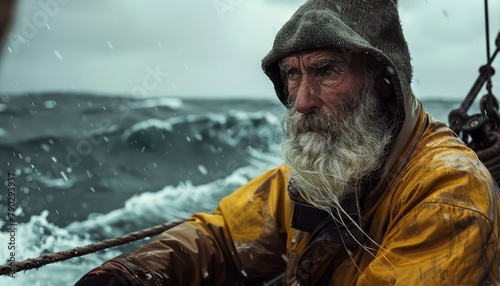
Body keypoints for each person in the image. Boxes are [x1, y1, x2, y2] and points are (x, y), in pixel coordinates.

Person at [76, 0, 500, 285]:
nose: (300, 101)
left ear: (384, 85)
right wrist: (130, 274)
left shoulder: (449, 196)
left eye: (325, 71)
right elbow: (223, 238)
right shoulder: (326, 174)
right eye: (292, 74)